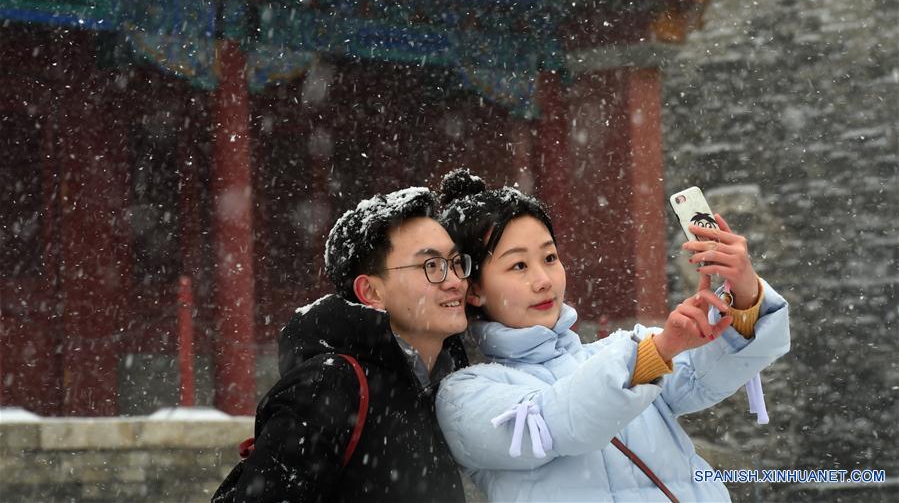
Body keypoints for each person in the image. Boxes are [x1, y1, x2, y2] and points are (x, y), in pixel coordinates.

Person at [434, 169, 790, 502]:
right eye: (519, 265)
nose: (544, 279)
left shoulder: (624, 350)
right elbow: (557, 421)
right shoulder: (464, 396)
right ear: (474, 289)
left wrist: (743, 292)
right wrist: (659, 350)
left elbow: (708, 369)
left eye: (550, 257)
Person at [229, 187, 471, 502]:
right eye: (431, 266)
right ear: (370, 292)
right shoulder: (330, 386)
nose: (455, 281)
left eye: (455, 263)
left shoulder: (446, 384)